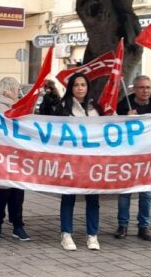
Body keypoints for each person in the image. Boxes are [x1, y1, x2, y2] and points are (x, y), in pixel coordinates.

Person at [39, 73, 103, 251]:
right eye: (76, 85)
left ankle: (92, 235)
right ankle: (66, 234)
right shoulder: (63, 107)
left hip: (92, 160)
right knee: (68, 196)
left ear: (88, 87)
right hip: (71, 160)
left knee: (93, 198)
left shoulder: (96, 108)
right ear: (71, 88)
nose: (80, 88)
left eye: (83, 85)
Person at [114, 75, 151, 241]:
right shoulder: (123, 106)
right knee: (125, 192)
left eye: (148, 87)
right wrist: (124, 118)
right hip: (128, 157)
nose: (145, 91)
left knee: (146, 194)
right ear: (134, 89)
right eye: (142, 88)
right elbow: (112, 129)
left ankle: (143, 227)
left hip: (149, 157)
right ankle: (122, 225)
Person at [0, 76, 29, 241]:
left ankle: (17, 224)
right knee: (1, 193)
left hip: (16, 157)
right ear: (9, 90)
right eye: (17, 89)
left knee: (17, 192)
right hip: (3, 156)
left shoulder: (15, 106)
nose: (18, 93)